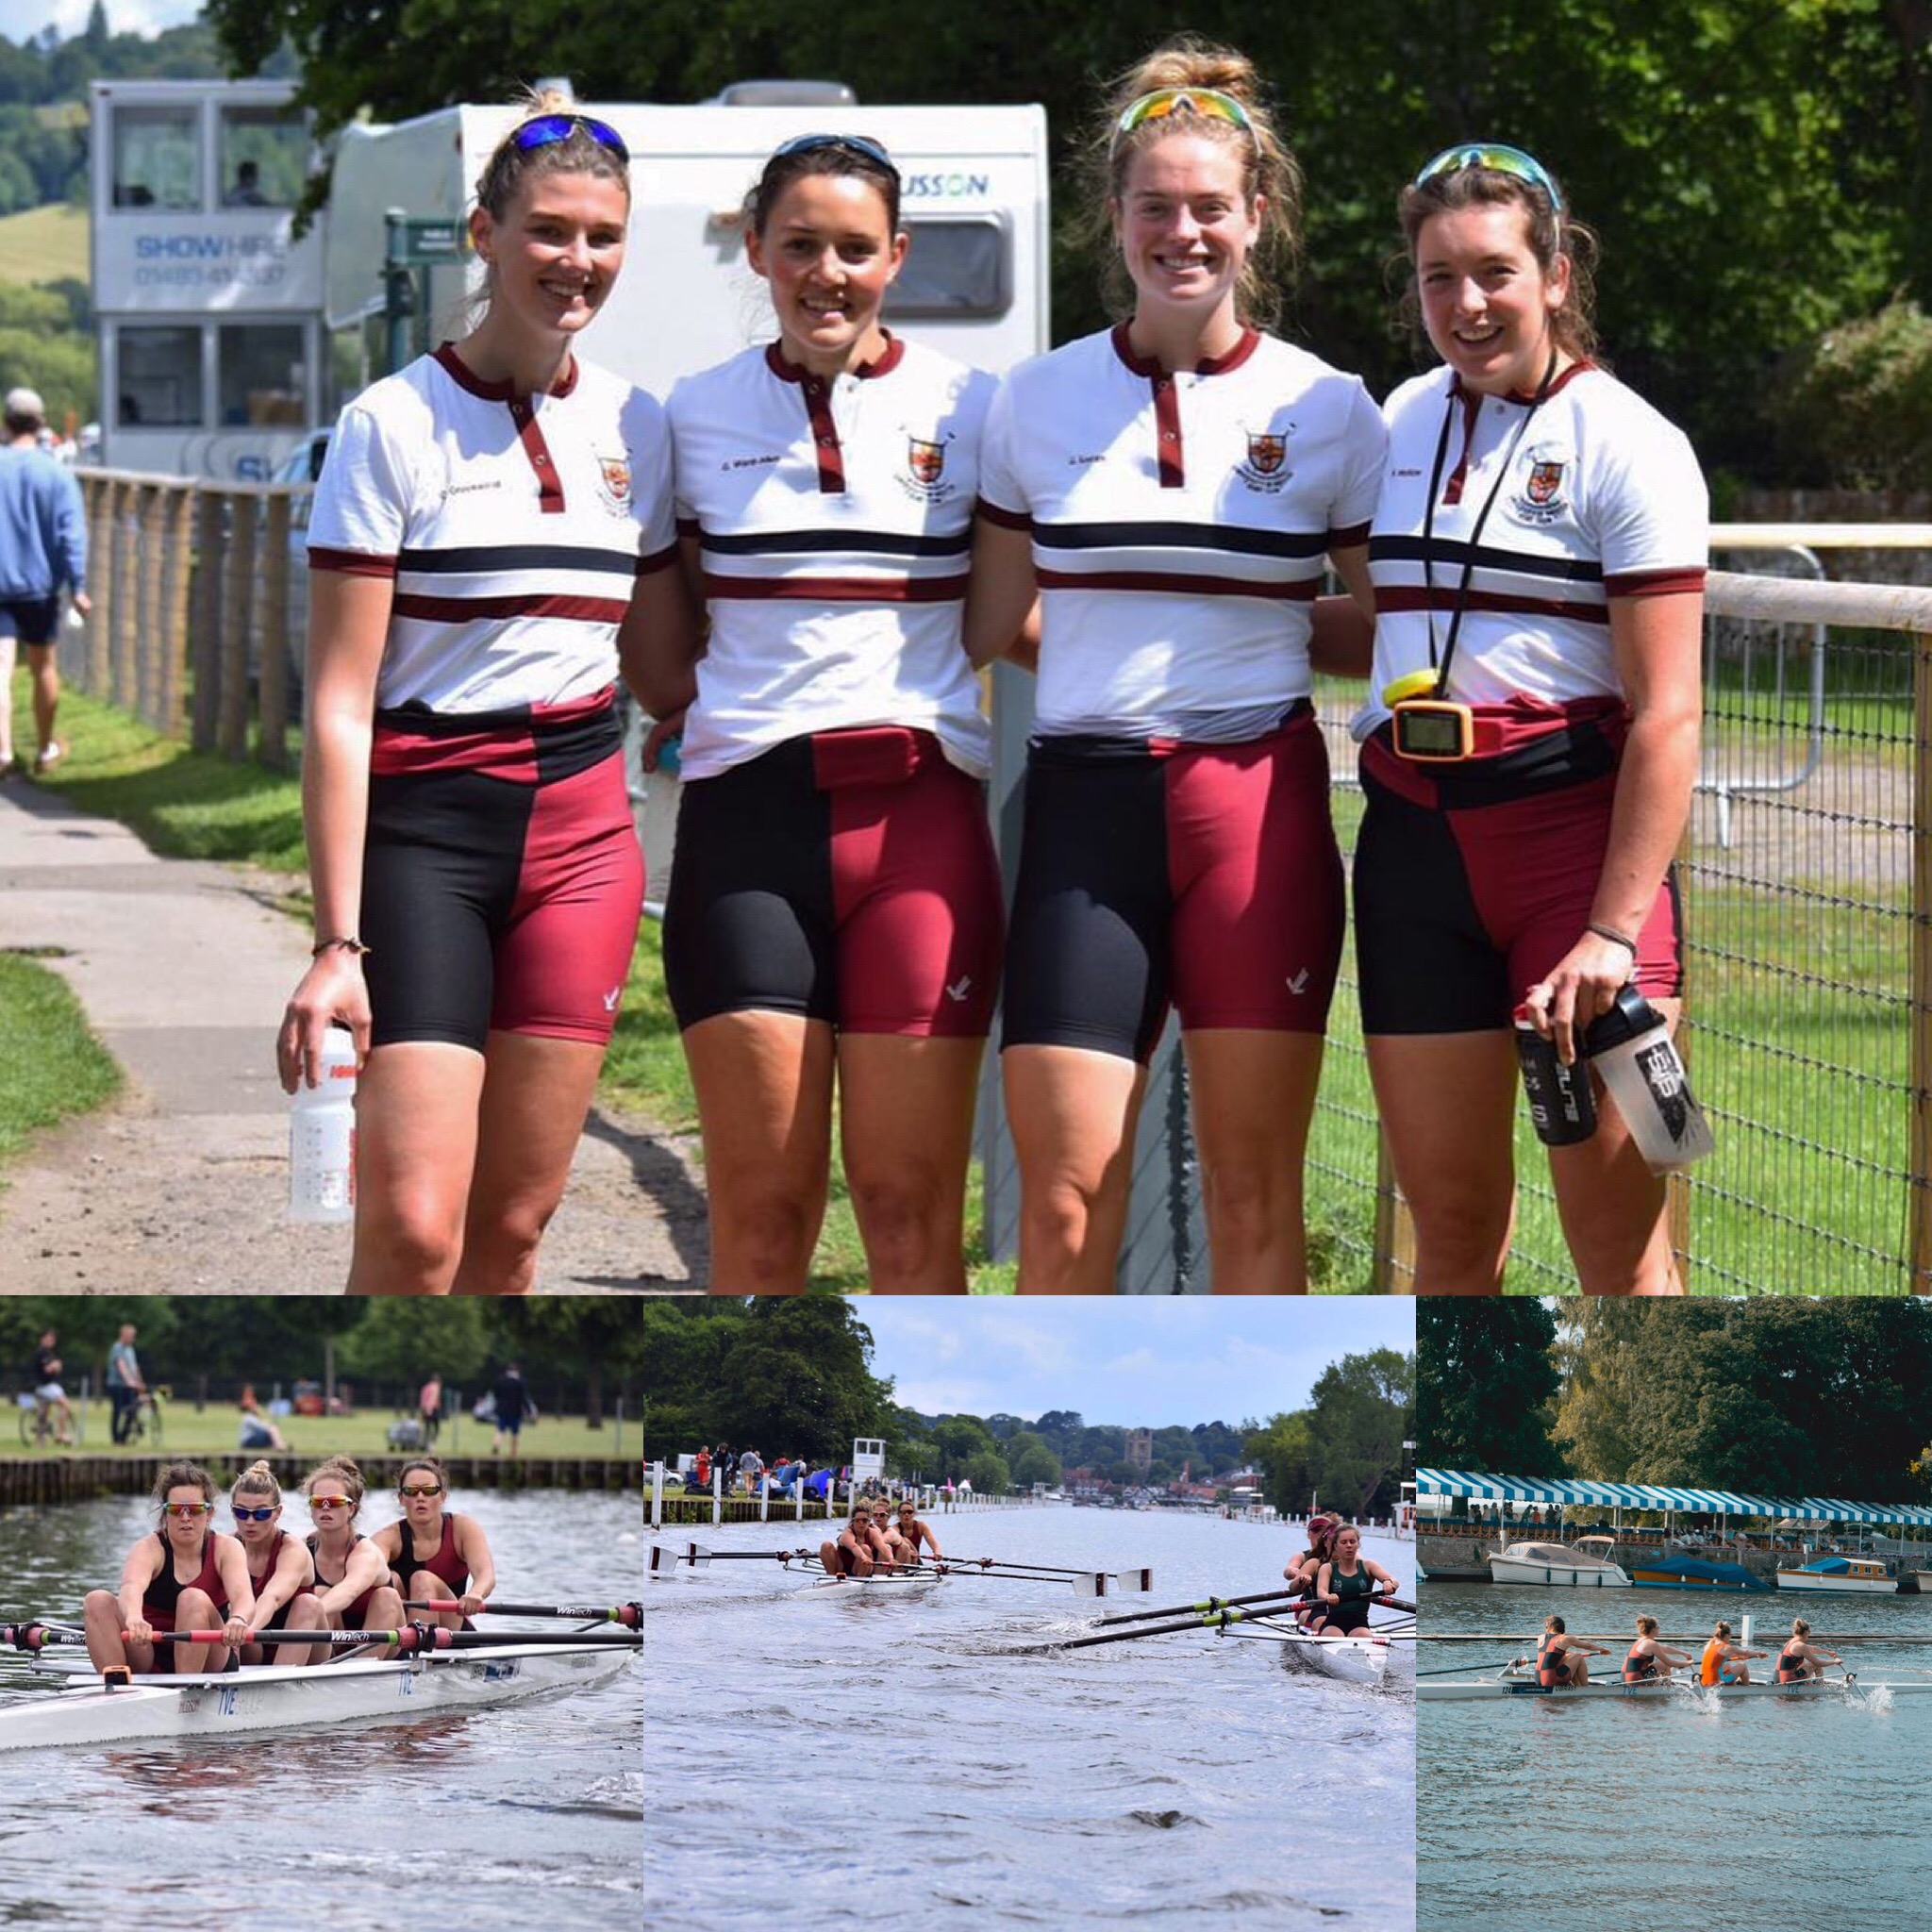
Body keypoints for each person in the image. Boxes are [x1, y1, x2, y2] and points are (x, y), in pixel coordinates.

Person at [963, 41, 1385, 1291]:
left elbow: (1385, 622)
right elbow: (996, 617)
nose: (1182, 232)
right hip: (1083, 810)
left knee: (1258, 1199)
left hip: (1253, 807)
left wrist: (1248, 629)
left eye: (1210, 207)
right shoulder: (1028, 401)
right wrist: (1119, 637)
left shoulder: (1329, 408)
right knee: (1066, 1195)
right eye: (1156, 206)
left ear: (1257, 217)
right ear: (1115, 217)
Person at [276, 95, 693, 1293]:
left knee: (512, 1230)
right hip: (424, 840)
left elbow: (664, 670)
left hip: (579, 840)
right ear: (484, 234)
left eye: (602, 236)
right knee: (413, 1227)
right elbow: (340, 704)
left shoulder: (638, 426)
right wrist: (334, 941)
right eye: (549, 230)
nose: (577, 262)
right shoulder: (390, 425)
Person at [1341, 142, 1707, 1294]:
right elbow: (1391, 627)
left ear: (1553, 272)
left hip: (1570, 862)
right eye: (1437, 276)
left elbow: (1665, 711)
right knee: (1445, 1232)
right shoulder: (1399, 416)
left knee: (1617, 1249)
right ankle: (1466, 1468)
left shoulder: (1630, 442)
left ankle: (1656, 1475)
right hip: (1411, 851)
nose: (1464, 303)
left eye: (1493, 272)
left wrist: (1609, 931)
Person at [651, 130, 1004, 1294]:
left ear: (896, 256)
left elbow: (1034, 601)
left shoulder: (975, 407)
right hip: (749, 827)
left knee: (910, 1220)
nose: (826, 272)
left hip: (922, 829)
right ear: (755, 249)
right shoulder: (686, 416)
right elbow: (659, 624)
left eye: (854, 248)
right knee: (760, 1218)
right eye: (799, 244)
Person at [82, 1460, 254, 1675]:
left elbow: (244, 1597)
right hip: (149, 1652)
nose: (185, 1518)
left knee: (192, 1598)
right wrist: (134, 1617)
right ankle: (116, 1687)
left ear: (209, 1513)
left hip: (210, 1655)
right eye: (175, 1510)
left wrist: (238, 1619)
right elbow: (131, 1587)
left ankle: (186, 1691)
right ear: (164, 1514)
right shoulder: (148, 1548)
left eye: (194, 1510)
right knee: (96, 1601)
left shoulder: (227, 1548)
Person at [0, 385, 89, 776]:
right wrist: (79, 586)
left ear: (5, 423)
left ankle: (2, 751)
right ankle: (44, 747)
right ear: (40, 425)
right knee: (43, 668)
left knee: (0, 669)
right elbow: (71, 535)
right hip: (39, 586)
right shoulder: (56, 474)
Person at [373, 1455, 496, 1629]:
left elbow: (486, 1574)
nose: (420, 1497)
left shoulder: (462, 1528)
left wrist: (476, 1594)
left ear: (443, 1496)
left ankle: (422, 1651)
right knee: (389, 1579)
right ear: (401, 1498)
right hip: (401, 1631)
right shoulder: (388, 1537)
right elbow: (365, 1570)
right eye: (411, 1491)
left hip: (454, 1629)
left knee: (422, 1579)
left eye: (429, 1490)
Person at [302, 1455, 408, 1649]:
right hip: (334, 1646)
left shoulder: (366, 1553)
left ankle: (360, 1668)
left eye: (334, 1502)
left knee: (387, 1596)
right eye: (318, 1502)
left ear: (352, 1509)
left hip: (382, 1647)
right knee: (318, 1593)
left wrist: (307, 1617)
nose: (325, 1508)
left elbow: (348, 1592)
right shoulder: (301, 1549)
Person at [228, 1461, 325, 1668]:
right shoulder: (226, 1547)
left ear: (277, 1513)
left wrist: (243, 1630)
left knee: (309, 1603)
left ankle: (280, 1686)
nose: (250, 1521)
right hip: (253, 1649)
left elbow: (271, 1598)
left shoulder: (293, 1550)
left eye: (261, 1513)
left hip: (305, 1649)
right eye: (242, 1512)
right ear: (232, 1511)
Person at [1308, 1524, 1401, 1635]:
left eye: (1352, 1542)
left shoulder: (1369, 1566)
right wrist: (1327, 1596)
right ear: (1336, 1546)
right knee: (1334, 1635)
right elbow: (1321, 1591)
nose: (1349, 1546)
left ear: (1358, 1544)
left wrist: (1388, 1582)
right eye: (1344, 1542)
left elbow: (1393, 1580)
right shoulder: (1327, 1568)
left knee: (1364, 1636)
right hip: (1333, 1623)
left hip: (1360, 1623)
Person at [1533, 1612, 1609, 1687]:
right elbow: (1588, 1646)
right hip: (1550, 1680)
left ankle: (1577, 1688)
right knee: (1578, 1656)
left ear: (1552, 1627)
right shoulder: (1565, 1638)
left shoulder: (1540, 1637)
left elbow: (1551, 1654)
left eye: (1546, 1627)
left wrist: (1569, 1655)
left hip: (1537, 1679)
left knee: (1569, 1658)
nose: (1546, 1630)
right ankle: (1585, 1688)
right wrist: (1602, 1649)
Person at [818, 1507, 895, 1579]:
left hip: (862, 1569)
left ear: (869, 1522)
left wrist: (891, 1559)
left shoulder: (872, 1533)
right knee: (826, 1545)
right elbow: (854, 1547)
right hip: (842, 1568)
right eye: (858, 1520)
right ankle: (831, 1578)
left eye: (864, 1520)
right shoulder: (847, 1533)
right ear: (853, 1521)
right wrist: (863, 1557)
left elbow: (883, 1548)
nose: (861, 1523)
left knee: (865, 1548)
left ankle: (859, 1581)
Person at [28, 1329, 75, 1445]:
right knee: (64, 1404)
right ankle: (61, 1433)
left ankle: (46, 1437)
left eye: (52, 1339)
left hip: (50, 1386)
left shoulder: (50, 1354)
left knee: (46, 1413)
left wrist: (56, 1366)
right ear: (42, 1339)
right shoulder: (41, 1353)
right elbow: (48, 1370)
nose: (51, 1341)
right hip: (44, 1387)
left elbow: (57, 1367)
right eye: (48, 1339)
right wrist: (55, 1366)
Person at [105, 1322, 146, 1445]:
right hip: (117, 1385)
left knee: (133, 1409)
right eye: (130, 1336)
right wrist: (130, 1381)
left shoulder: (130, 1349)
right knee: (117, 1410)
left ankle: (124, 1435)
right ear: (123, 1335)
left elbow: (134, 1367)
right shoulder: (118, 1347)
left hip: (129, 1386)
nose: (132, 1338)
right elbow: (121, 1365)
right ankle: (116, 1438)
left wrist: (139, 1382)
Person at [1623, 1612, 1693, 1683]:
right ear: (1653, 1629)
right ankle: (1667, 1688)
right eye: (1658, 1627)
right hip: (1634, 1680)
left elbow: (1665, 1649)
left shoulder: (1641, 1641)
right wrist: (1688, 1663)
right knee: (1665, 1664)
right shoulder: (1651, 1644)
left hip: (1625, 1678)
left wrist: (1683, 1653)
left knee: (1656, 1664)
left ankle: (1664, 1685)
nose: (1659, 1628)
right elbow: (1670, 1663)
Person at [1700, 1619, 1767, 1687]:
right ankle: (1745, 1691)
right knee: (1743, 1666)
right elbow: (1746, 1653)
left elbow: (1717, 1656)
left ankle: (1732, 1688)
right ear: (1726, 1635)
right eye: (1730, 1635)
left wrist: (1738, 1656)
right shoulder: (1728, 1648)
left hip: (1703, 1681)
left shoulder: (1709, 1644)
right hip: (1717, 1682)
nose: (1730, 1637)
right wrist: (1759, 1653)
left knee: (1726, 1665)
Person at [1775, 1618, 1841, 1684]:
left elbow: (1813, 1649)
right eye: (1809, 1633)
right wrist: (1834, 1662)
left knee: (1802, 1664)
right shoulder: (1800, 1646)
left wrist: (1828, 1653)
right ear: (1806, 1632)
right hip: (1787, 1680)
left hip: (1777, 1678)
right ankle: (1820, 1688)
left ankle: (1809, 1685)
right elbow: (1818, 1663)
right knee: (1815, 1665)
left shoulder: (1790, 1642)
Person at [491, 1359, 534, 1456]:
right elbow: (524, 1398)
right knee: (515, 1433)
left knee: (500, 1430)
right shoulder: (520, 1382)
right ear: (517, 1371)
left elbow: (496, 1394)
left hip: (502, 1410)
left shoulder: (500, 1381)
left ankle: (496, 1445)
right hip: (515, 1410)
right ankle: (513, 1452)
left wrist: (498, 1404)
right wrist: (529, 1411)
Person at [891, 1497, 943, 1566]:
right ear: (898, 1515)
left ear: (914, 1514)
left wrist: (937, 1552)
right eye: (903, 1512)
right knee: (905, 1541)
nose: (906, 1515)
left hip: (915, 1560)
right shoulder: (895, 1528)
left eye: (910, 1512)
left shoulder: (921, 1526)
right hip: (900, 1561)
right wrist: (910, 1551)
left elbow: (932, 1541)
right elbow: (900, 1538)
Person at [418, 1372, 443, 1446]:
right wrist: (430, 1409)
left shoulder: (425, 1387)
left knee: (427, 1426)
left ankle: (425, 1441)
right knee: (436, 1426)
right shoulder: (435, 1387)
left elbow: (422, 1399)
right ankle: (432, 1441)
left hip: (424, 1408)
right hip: (433, 1408)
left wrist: (423, 1409)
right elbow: (432, 1398)